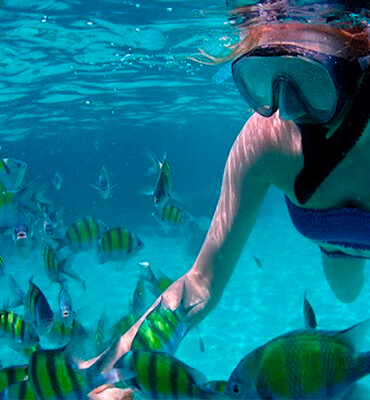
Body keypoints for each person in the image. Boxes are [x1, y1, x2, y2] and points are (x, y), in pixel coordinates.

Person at [91, 1, 370, 398]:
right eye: (265, 77)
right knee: (345, 287)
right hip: (335, 248)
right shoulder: (265, 142)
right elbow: (200, 283)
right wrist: (110, 369)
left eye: (309, 78)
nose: (286, 109)